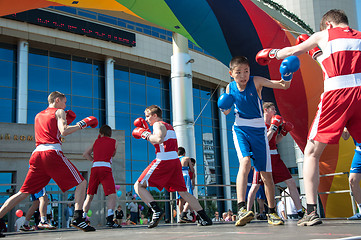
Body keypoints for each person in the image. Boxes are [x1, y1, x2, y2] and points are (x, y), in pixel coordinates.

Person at [255, 9, 361, 226]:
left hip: (337, 95)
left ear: (328, 25)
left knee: (312, 152)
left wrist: (271, 54)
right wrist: (316, 55)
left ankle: (311, 211)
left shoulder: (324, 35)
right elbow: (337, 66)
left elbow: (291, 51)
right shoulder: (359, 36)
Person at [0, 91, 98, 233]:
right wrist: (82, 124)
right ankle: (77, 218)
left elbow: (50, 130)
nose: (65, 106)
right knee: (81, 183)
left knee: (23, 192)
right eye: (64, 102)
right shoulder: (59, 112)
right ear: (57, 100)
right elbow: (63, 131)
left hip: (36, 155)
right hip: (51, 153)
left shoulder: (38, 115)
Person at [219, 56, 297, 227]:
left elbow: (284, 85)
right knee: (245, 162)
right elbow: (226, 113)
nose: (243, 75)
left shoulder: (257, 81)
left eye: (246, 71)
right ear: (231, 73)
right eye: (238, 72)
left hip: (259, 131)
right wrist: (223, 106)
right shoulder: (229, 87)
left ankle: (272, 212)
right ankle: (240, 208)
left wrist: (288, 73)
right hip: (240, 129)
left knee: (266, 175)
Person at [132, 105, 212, 228]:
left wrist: (144, 134)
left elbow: (158, 139)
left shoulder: (157, 124)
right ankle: (205, 218)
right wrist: (147, 134)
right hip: (174, 162)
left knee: (138, 186)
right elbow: (162, 142)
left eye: (148, 116)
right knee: (184, 192)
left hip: (164, 160)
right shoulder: (169, 126)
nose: (146, 119)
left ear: (155, 115)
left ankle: (156, 210)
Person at [247, 102, 304, 219]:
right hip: (263, 157)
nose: (275, 112)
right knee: (255, 186)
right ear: (266, 110)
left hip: (275, 157)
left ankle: (299, 210)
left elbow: (275, 141)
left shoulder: (275, 124)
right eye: (273, 109)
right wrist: (272, 129)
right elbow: (263, 142)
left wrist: (283, 133)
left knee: (291, 182)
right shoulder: (260, 124)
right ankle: (246, 212)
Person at [82, 124, 121, 228]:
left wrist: (93, 160)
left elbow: (85, 154)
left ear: (101, 133)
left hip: (95, 167)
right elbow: (113, 154)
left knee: (89, 195)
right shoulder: (114, 142)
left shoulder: (96, 141)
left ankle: (82, 218)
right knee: (112, 195)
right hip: (106, 167)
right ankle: (109, 219)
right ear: (110, 133)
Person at [341, 128, 361, 220]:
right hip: (359, 151)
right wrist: (339, 123)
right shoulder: (349, 115)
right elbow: (345, 136)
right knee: (352, 180)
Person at [176, 147, 195, 223]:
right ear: (184, 153)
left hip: (178, 178)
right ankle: (184, 213)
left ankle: (181, 216)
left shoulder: (175, 159)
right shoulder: (186, 158)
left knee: (180, 198)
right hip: (185, 176)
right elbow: (192, 170)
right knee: (190, 196)